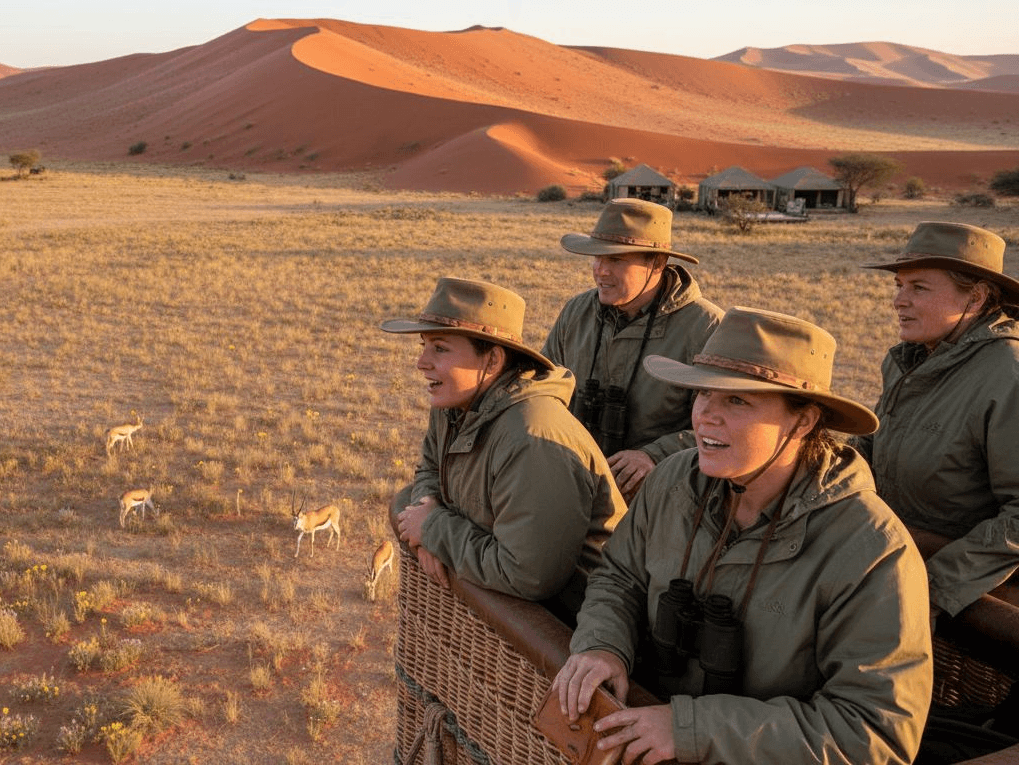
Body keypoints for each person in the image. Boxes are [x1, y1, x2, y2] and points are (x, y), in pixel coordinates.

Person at [552, 306, 932, 765]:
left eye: (738, 401)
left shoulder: (872, 552)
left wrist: (692, 729)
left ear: (805, 421)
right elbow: (620, 574)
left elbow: (874, 731)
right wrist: (602, 645)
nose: (705, 416)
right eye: (702, 393)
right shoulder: (673, 482)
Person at [385, 277, 626, 609]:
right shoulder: (455, 403)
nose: (421, 362)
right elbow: (429, 466)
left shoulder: (532, 440)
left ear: (492, 361)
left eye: (440, 349)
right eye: (423, 345)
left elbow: (528, 575)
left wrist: (434, 530)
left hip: (570, 629)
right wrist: (426, 516)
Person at [858, 222, 1019, 622]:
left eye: (919, 288)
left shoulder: (1007, 375)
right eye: (899, 285)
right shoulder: (906, 361)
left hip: (969, 594)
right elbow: (873, 446)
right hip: (890, 562)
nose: (899, 300)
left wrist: (931, 587)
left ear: (977, 297)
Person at [543, 198, 722, 501]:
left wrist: (655, 455)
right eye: (596, 258)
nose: (600, 271)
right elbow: (543, 391)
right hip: (573, 485)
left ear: (657, 264)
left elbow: (720, 427)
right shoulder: (576, 312)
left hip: (662, 497)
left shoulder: (706, 328)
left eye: (616, 260)